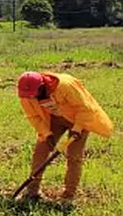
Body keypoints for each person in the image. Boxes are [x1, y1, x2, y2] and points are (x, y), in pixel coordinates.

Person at [16, 71, 113, 203]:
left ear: (41, 86)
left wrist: (77, 128)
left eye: (33, 94)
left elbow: (85, 108)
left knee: (74, 157)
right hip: (54, 120)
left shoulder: (66, 85)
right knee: (40, 151)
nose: (31, 98)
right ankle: (32, 192)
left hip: (80, 119)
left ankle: (69, 195)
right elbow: (34, 117)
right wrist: (47, 134)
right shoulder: (26, 95)